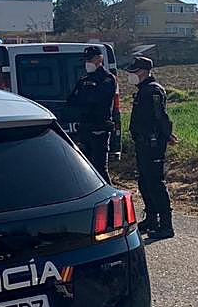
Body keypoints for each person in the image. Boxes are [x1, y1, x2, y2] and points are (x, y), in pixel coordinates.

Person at [125, 56, 175, 240]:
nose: (131, 75)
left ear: (145, 71)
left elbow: (160, 116)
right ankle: (151, 219)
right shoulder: (142, 90)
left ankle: (166, 225)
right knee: (144, 182)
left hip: (152, 144)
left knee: (156, 183)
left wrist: (167, 134)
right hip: (143, 143)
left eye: (134, 72)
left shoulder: (153, 91)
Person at [66, 46, 117, 181]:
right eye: (86, 60)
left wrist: (84, 100)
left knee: (100, 167)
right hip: (85, 129)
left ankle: (108, 196)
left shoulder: (107, 79)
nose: (87, 63)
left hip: (99, 129)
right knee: (86, 166)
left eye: (90, 60)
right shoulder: (83, 80)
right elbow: (72, 100)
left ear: (99, 59)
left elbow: (98, 100)